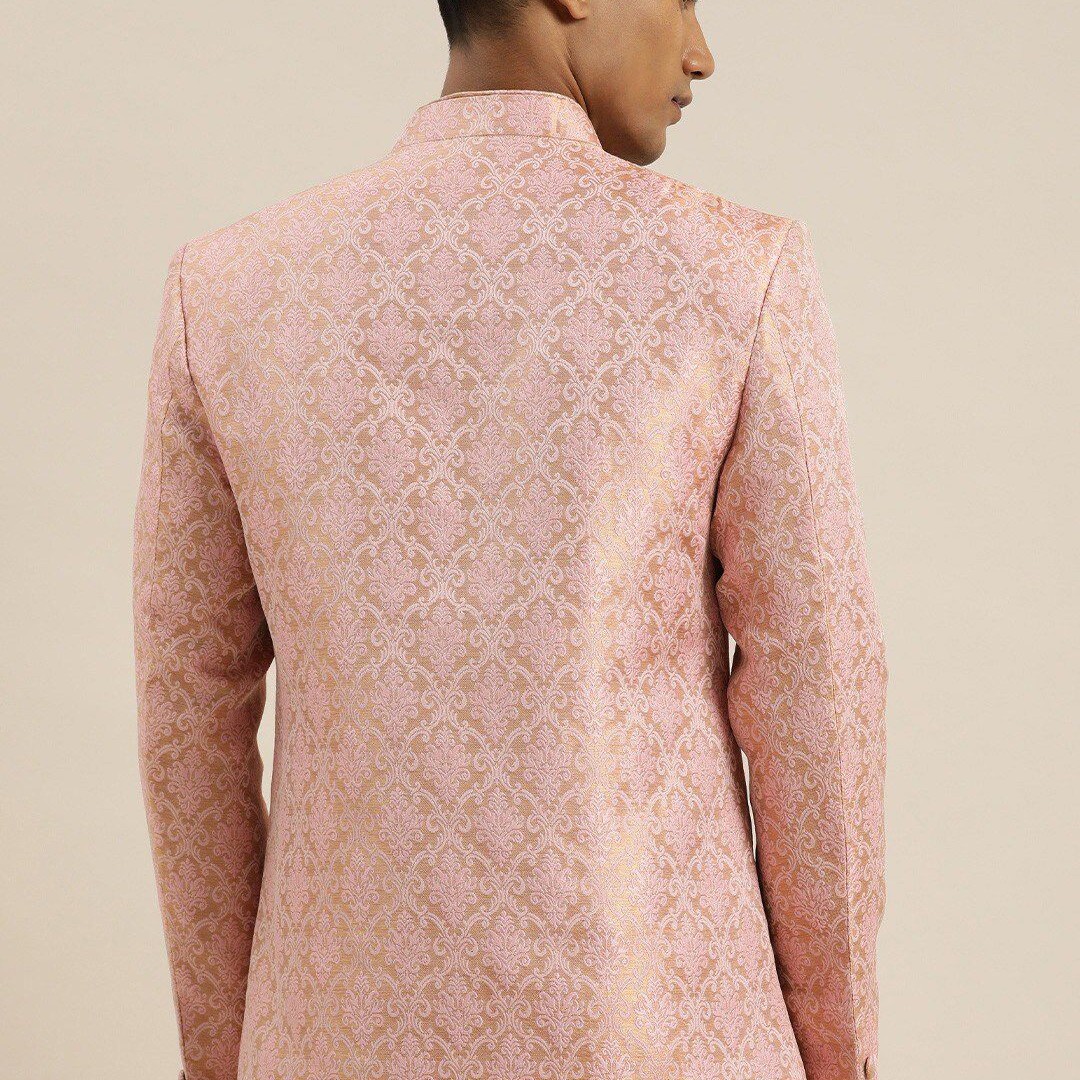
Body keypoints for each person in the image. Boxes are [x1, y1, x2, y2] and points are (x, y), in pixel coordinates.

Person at [132, 2, 888, 1078]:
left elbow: (186, 714)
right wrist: (839, 1054)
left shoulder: (227, 290)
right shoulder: (731, 274)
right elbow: (820, 691)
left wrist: (227, 1054)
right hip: (663, 1034)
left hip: (335, 1040)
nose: (701, 51)